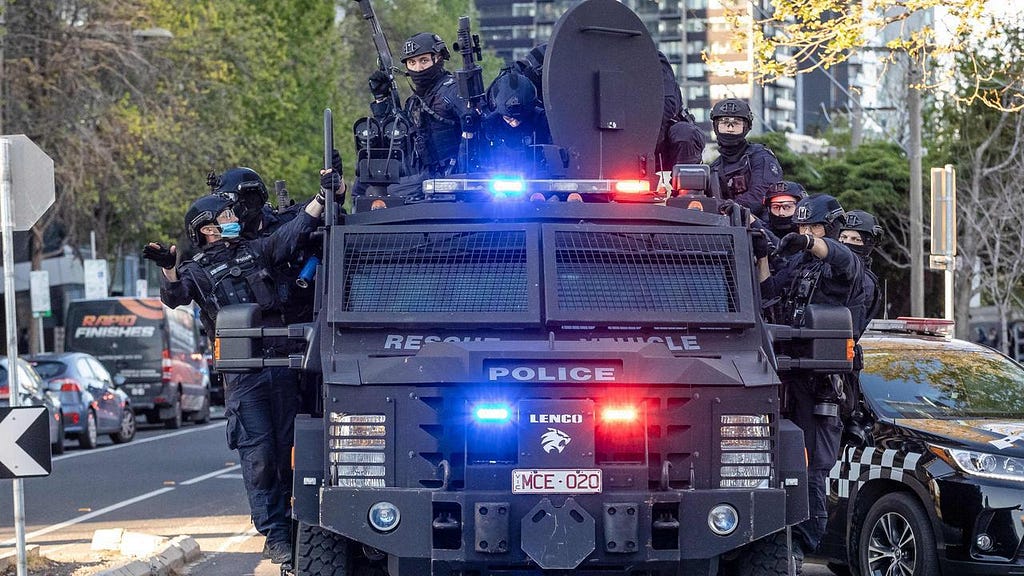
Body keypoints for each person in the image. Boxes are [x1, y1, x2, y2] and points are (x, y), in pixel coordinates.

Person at [142, 170, 338, 565]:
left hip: (281, 363)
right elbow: (176, 296)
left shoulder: (256, 249)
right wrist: (167, 267)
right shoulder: (196, 270)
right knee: (259, 455)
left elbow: (293, 233)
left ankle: (296, 528)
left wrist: (323, 195)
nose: (233, 219)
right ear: (207, 231)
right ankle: (275, 535)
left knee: (287, 452)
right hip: (242, 374)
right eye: (224, 217)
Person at [761, 194, 864, 564]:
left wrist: (812, 243)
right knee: (782, 462)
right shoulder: (801, 264)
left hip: (825, 381)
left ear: (831, 228)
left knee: (814, 467)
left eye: (813, 227)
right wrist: (760, 251)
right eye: (802, 226)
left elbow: (840, 257)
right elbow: (766, 293)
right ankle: (786, 541)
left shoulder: (848, 269)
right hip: (791, 375)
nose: (805, 232)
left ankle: (807, 547)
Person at [367, 32, 466, 190]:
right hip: (424, 182)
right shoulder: (413, 103)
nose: (418, 68)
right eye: (412, 62)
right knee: (374, 190)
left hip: (458, 181)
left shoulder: (454, 91)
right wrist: (381, 100)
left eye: (424, 61)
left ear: (438, 58)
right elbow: (397, 141)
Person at [708, 98, 783, 217]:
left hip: (760, 226)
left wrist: (729, 208)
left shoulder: (760, 157)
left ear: (746, 127)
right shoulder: (713, 168)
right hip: (722, 227)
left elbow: (760, 196)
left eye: (736, 123)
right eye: (724, 123)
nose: (730, 128)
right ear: (716, 126)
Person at [476, 66, 552, 175]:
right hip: (496, 180)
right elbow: (478, 159)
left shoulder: (542, 120)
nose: (515, 123)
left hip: (539, 178)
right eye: (509, 119)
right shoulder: (490, 125)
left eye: (520, 119)